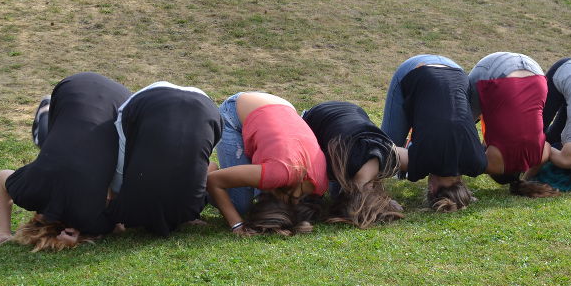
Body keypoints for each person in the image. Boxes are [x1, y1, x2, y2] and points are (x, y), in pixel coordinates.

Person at [0, 72, 131, 250]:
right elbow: (1, 177)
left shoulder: (90, 219)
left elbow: (119, 228)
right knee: (61, 139)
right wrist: (3, 232)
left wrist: (84, 232)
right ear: (36, 218)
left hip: (124, 100)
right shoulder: (30, 194)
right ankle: (46, 112)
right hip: (73, 87)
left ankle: (47, 114)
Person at [107, 81, 222, 236]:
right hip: (202, 106)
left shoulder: (189, 210)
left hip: (195, 105)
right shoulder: (129, 210)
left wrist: (116, 206)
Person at [207, 91, 328, 235]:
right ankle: (208, 167)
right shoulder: (277, 173)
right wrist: (236, 225)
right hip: (237, 111)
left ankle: (232, 174)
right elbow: (213, 181)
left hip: (282, 108)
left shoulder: (319, 186)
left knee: (251, 191)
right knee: (239, 205)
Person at [381, 54, 488, 212]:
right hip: (415, 70)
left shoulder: (477, 163)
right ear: (431, 189)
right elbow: (385, 151)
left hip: (456, 70)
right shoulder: (424, 162)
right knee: (384, 152)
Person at [467, 52, 557, 198]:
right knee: (464, 123)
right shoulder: (492, 164)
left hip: (535, 73)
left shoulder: (540, 156)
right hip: (494, 71)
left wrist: (529, 173)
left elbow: (548, 147)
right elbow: (465, 158)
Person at [302, 101, 403, 228]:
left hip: (352, 113)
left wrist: (386, 202)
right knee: (328, 188)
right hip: (315, 118)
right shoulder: (335, 166)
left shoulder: (387, 158)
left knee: (332, 189)